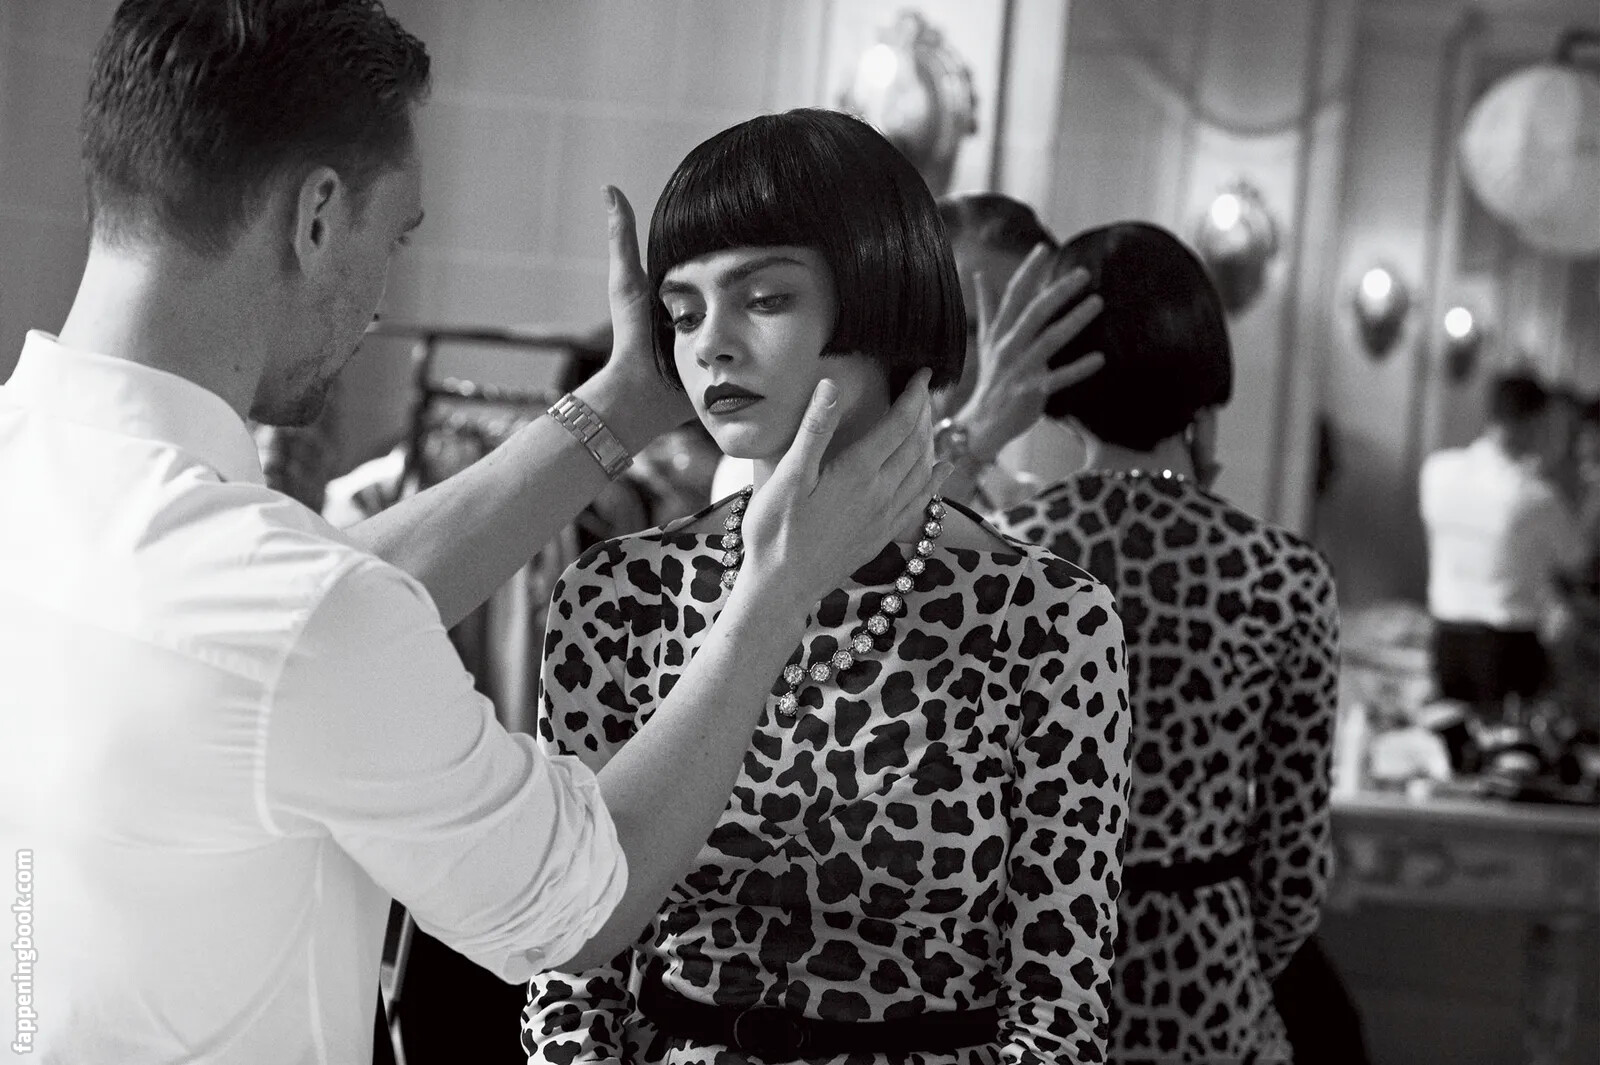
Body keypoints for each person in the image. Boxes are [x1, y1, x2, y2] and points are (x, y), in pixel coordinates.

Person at [0, 4, 945, 1062]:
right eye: (398, 233)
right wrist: (775, 593)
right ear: (317, 217)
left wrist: (625, 404)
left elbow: (299, 623)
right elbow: (573, 909)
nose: (381, 297)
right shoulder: (291, 612)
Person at [522, 109, 1132, 1065]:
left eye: (764, 298)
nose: (710, 345)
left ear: (883, 299)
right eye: (681, 313)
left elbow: (1056, 1013)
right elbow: (566, 979)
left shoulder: (1048, 620)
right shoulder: (620, 594)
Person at [990, 222, 1341, 1062]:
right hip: (1205, 985)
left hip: (1030, 979)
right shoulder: (1281, 574)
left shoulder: (1000, 558)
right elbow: (1295, 870)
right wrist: (1224, 947)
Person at [709, 192, 1105, 508]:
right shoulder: (781, 461)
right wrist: (972, 437)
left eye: (1023, 329)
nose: (1000, 354)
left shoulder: (1021, 501)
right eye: (973, 326)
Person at [1419, 371, 1587, 720]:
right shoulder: (1537, 497)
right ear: (1534, 423)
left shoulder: (1437, 471)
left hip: (1446, 638)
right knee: (1507, 745)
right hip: (1509, 648)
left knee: (1450, 735)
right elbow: (1578, 559)